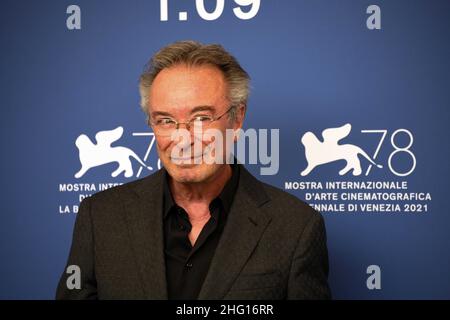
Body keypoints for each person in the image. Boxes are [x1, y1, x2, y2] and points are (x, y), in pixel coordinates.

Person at [56, 40, 331, 299]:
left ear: (236, 119)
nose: (183, 139)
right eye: (165, 120)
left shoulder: (296, 227)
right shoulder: (100, 217)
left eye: (201, 118)